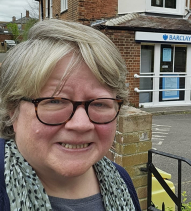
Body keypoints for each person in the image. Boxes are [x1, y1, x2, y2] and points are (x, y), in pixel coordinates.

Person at [0, 20, 141, 211]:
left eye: (99, 103)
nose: (82, 124)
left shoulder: (121, 179)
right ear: (12, 110)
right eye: (55, 101)